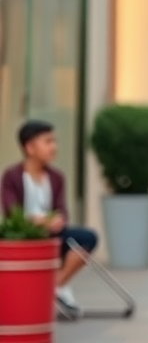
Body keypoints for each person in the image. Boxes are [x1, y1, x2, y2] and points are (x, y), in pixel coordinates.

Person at [0, 121, 101, 321]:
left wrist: (58, 220)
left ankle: (56, 286)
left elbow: (61, 209)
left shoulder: (55, 177)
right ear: (29, 147)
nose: (53, 147)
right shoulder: (12, 176)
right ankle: (56, 291)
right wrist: (37, 222)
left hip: (52, 233)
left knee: (87, 238)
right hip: (24, 235)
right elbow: (12, 212)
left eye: (54, 141)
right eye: (47, 142)